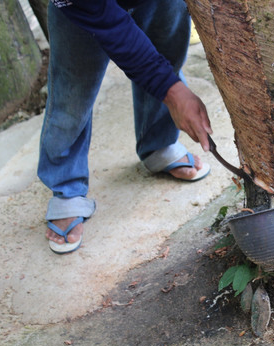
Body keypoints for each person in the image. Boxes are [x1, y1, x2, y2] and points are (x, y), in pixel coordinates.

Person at [38, 0, 212, 254]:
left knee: (166, 58)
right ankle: (66, 185)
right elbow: (110, 25)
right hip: (81, 8)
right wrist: (173, 92)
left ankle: (158, 141)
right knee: (71, 96)